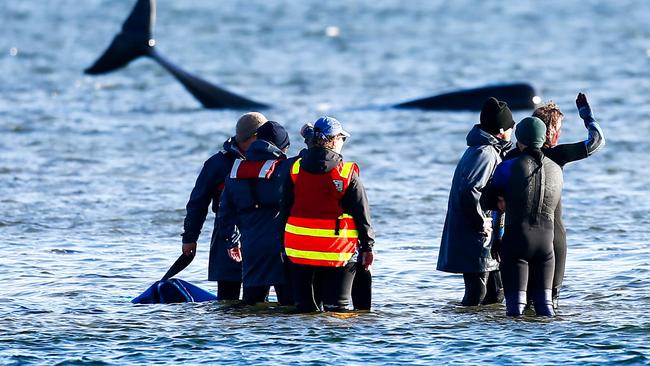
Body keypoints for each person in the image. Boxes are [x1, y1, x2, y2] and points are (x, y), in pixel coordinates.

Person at [503, 93, 605, 308]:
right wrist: (587, 116)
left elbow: (497, 201)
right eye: (558, 130)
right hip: (551, 238)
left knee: (519, 305)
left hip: (515, 238)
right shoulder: (557, 155)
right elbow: (597, 141)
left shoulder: (510, 158)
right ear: (551, 133)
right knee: (549, 304)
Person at [280, 116, 375, 313]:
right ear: (333, 140)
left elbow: (284, 210)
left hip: (299, 250)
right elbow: (362, 215)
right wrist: (368, 247)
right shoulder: (346, 173)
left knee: (304, 310)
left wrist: (281, 245)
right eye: (342, 138)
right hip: (336, 251)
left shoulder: (295, 168)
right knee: (336, 309)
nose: (343, 143)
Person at [481, 117, 563, 316]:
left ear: (520, 140)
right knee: (545, 308)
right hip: (546, 245)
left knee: (515, 309)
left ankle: (516, 348)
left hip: (516, 243)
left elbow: (486, 200)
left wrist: (501, 202)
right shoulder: (556, 169)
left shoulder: (508, 166)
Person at [437, 97, 514, 306]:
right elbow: (470, 190)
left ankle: (485, 335)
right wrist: (481, 222)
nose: (512, 131)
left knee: (496, 292)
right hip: (476, 233)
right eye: (510, 127)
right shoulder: (485, 153)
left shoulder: (488, 149)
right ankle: (466, 335)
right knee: (477, 291)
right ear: (501, 129)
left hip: (480, 232)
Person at [181, 112, 267, 300]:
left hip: (260, 232)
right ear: (254, 137)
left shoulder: (271, 160)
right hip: (225, 232)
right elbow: (198, 202)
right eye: (264, 136)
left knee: (259, 299)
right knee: (227, 299)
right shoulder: (217, 163)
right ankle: (228, 330)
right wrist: (190, 237)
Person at [218, 121, 295, 305]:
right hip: (281, 247)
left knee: (252, 305)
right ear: (283, 147)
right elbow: (312, 157)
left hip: (251, 247)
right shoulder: (287, 169)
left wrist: (231, 241)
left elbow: (224, 212)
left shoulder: (235, 171)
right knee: (290, 306)